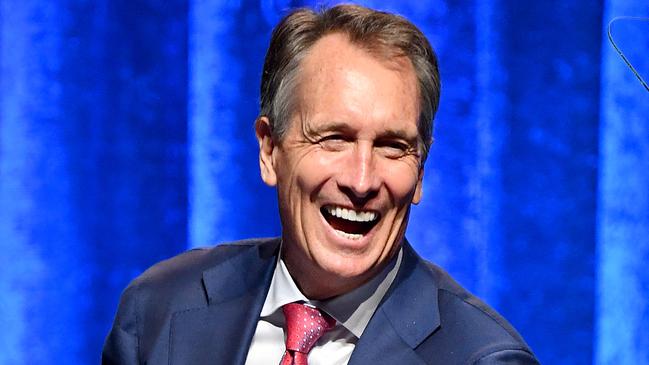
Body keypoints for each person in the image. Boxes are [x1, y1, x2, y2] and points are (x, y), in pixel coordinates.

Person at [102, 4, 540, 365]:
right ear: (269, 150)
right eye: (334, 139)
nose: (361, 180)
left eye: (392, 146)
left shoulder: (482, 358)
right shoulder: (157, 310)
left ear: (420, 172)